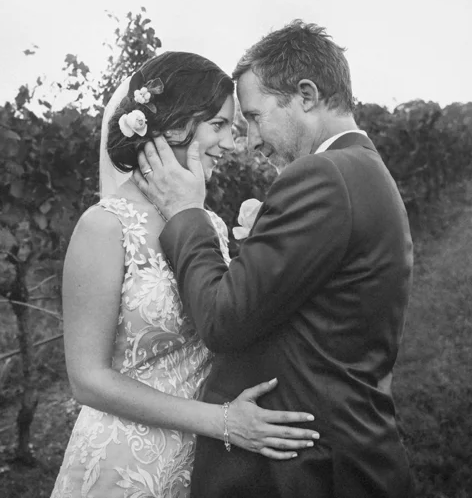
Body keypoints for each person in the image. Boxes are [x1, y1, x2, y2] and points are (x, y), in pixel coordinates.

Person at [134, 22, 414, 497]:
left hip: (311, 472)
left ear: (305, 95)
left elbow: (222, 319)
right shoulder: (362, 168)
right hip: (341, 451)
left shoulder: (324, 176)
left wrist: (184, 212)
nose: (251, 142)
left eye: (254, 117)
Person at [50, 51, 319, 498]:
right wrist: (222, 421)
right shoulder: (104, 227)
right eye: (218, 125)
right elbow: (87, 380)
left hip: (202, 459)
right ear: (172, 124)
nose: (231, 144)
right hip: (125, 461)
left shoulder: (206, 223)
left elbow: (225, 324)